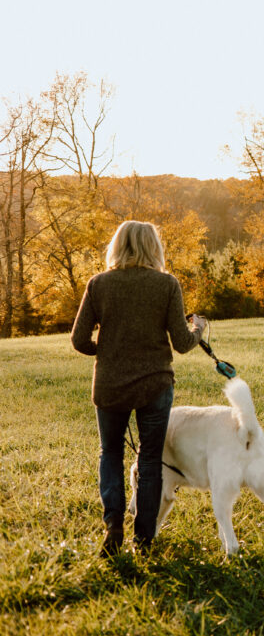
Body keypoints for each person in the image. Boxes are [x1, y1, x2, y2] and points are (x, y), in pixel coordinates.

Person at [72, 220, 206, 558]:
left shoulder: (98, 284)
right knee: (149, 459)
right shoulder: (166, 285)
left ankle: (113, 525)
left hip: (109, 385)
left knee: (111, 453)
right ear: (153, 247)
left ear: (117, 246)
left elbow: (78, 340)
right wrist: (199, 330)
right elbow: (181, 344)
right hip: (155, 384)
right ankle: (145, 539)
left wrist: (106, 350)